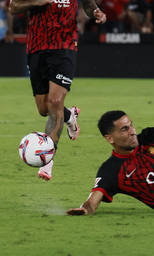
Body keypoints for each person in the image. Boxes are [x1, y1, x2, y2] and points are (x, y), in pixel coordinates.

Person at [9, 0, 106, 180]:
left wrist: (96, 13)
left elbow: (88, 5)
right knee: (44, 109)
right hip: (36, 48)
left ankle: (48, 159)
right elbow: (13, 7)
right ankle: (69, 116)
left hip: (64, 47)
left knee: (55, 102)